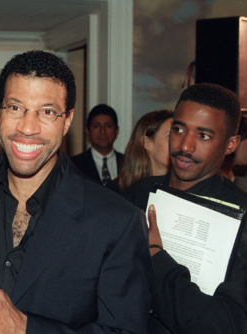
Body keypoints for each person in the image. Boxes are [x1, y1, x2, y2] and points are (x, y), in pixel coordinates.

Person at [0, 50, 152, 333]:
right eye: (16, 107)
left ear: (67, 121)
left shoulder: (117, 222)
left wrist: (23, 328)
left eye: (47, 112)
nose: (28, 127)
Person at [122, 83, 247, 334]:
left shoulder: (241, 219)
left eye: (203, 135)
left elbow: (222, 326)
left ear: (231, 144)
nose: (185, 146)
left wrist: (155, 255)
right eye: (178, 129)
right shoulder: (136, 194)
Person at [114, 109, 173, 192]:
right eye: (170, 137)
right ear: (147, 143)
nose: (177, 144)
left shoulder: (184, 188)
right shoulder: (118, 190)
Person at [70, 104, 124, 185]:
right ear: (88, 131)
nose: (103, 131)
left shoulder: (128, 163)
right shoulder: (74, 165)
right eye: (96, 126)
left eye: (108, 126)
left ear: (117, 131)